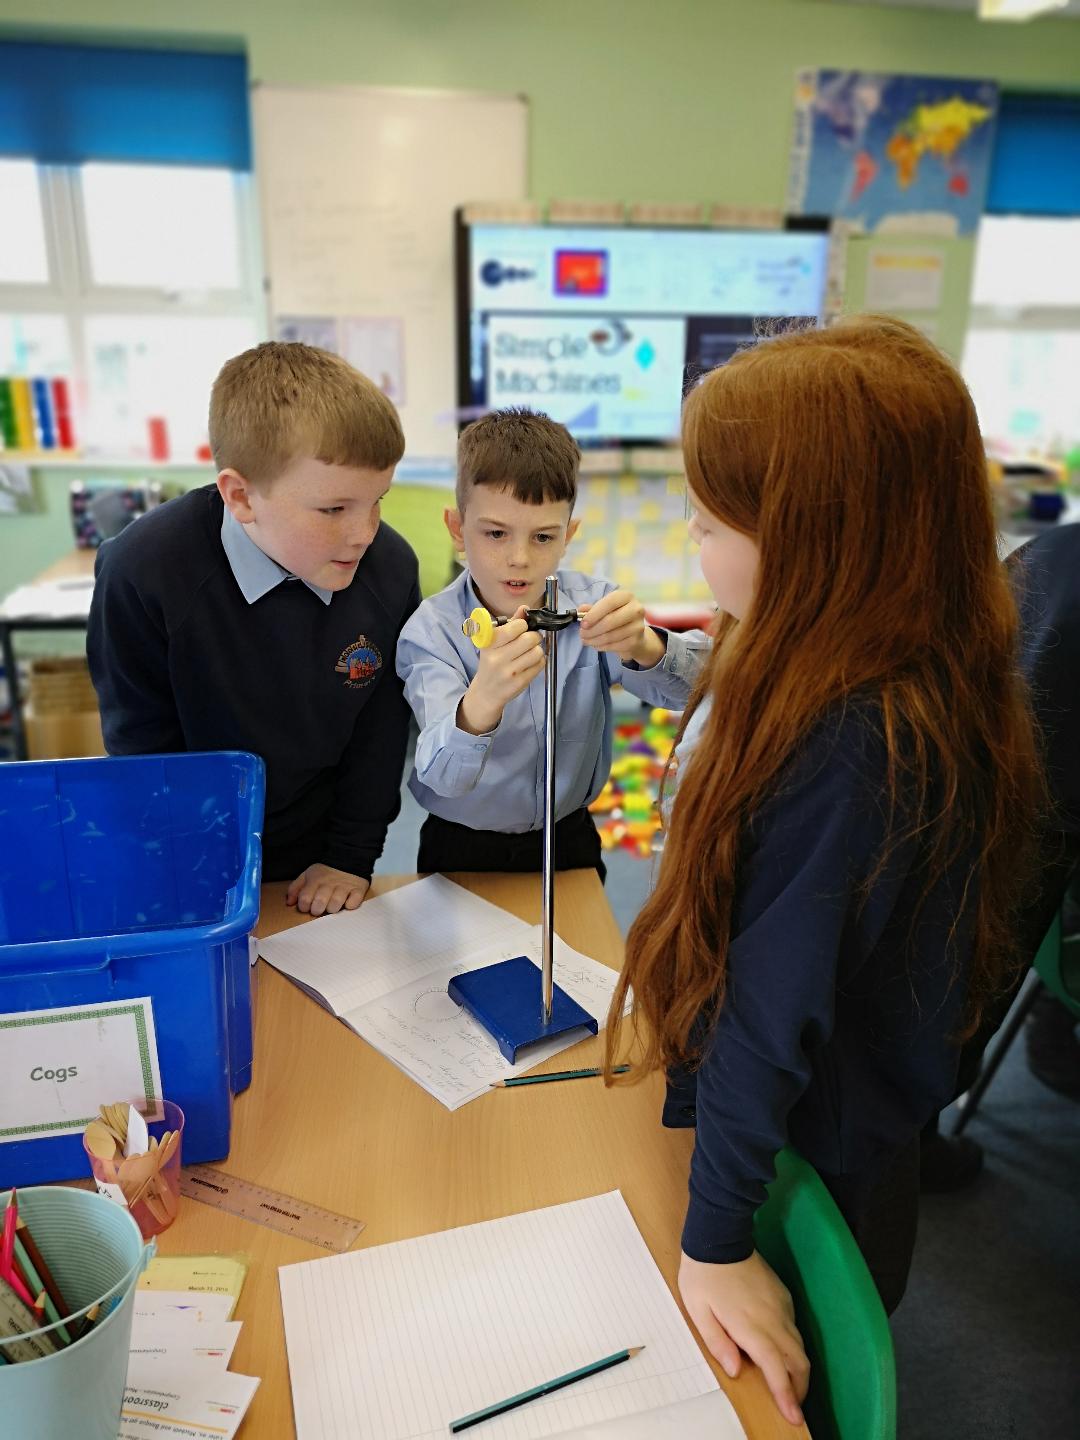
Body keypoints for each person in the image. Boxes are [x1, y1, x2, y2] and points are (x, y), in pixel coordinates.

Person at [605, 317, 1041, 1427]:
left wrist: (713, 1243)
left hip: (811, 1157)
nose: (694, 529)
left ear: (824, 533)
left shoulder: (857, 733)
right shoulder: (847, 653)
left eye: (716, 513)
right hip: (791, 1126)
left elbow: (769, 1005)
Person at [88, 342, 419, 917]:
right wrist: (192, 871)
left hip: (321, 854)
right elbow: (143, 747)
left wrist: (350, 855)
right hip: (187, 845)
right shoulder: (142, 571)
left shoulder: (388, 569)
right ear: (240, 496)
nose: (364, 533)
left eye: (378, 502)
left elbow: (382, 730)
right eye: (334, 510)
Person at [395, 407, 708, 875]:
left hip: (568, 839)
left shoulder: (594, 602)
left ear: (569, 536)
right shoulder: (430, 630)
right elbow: (442, 777)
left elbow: (698, 694)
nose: (519, 558)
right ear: (458, 530)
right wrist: (481, 702)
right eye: (496, 533)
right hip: (460, 846)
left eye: (543, 536)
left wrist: (644, 647)